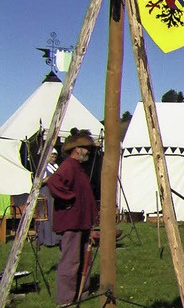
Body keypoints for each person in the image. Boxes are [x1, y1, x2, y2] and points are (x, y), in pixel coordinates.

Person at [47, 129, 99, 306]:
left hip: (82, 222)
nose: (88, 152)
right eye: (86, 148)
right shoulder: (69, 166)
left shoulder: (78, 168)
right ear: (77, 149)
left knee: (85, 259)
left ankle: (81, 293)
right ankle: (65, 300)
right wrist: (69, 200)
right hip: (72, 223)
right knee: (71, 261)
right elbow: (54, 182)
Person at [36, 148, 62, 247]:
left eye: (55, 156)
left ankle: (54, 238)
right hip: (45, 193)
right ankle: (45, 239)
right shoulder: (44, 168)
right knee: (45, 216)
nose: (53, 158)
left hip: (53, 194)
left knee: (53, 216)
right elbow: (38, 182)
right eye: (52, 156)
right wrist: (47, 180)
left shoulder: (56, 166)